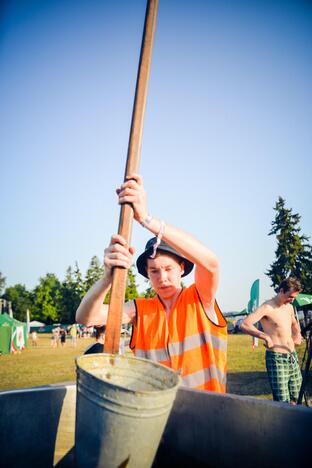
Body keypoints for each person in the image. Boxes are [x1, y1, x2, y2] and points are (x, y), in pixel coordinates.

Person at [76, 173, 227, 392]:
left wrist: (147, 219)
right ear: (147, 273)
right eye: (154, 271)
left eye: (168, 269)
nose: (162, 278)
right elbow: (86, 318)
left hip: (208, 412)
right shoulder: (139, 309)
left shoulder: (200, 298)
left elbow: (211, 264)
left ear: (182, 268)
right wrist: (107, 278)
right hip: (157, 416)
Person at [240, 277, 303, 404]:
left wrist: (297, 334)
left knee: (297, 397)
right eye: (290, 296)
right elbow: (245, 324)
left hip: (292, 357)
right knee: (282, 401)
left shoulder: (289, 307)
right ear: (281, 291)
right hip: (277, 358)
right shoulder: (267, 307)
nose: (292, 300)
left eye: (294, 297)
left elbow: (295, 324)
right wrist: (265, 336)